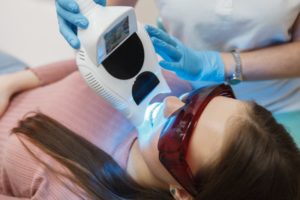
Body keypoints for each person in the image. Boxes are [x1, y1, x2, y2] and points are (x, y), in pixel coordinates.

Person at [0, 53, 299, 199]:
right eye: (196, 100)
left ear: (182, 192)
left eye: (179, 129)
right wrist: (14, 82)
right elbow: (92, 64)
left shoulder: (75, 192)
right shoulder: (175, 83)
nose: (169, 103)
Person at [55, 0, 300, 144]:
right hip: (181, 89)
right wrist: (87, 15)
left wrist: (219, 65)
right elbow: (114, 12)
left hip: (279, 101)